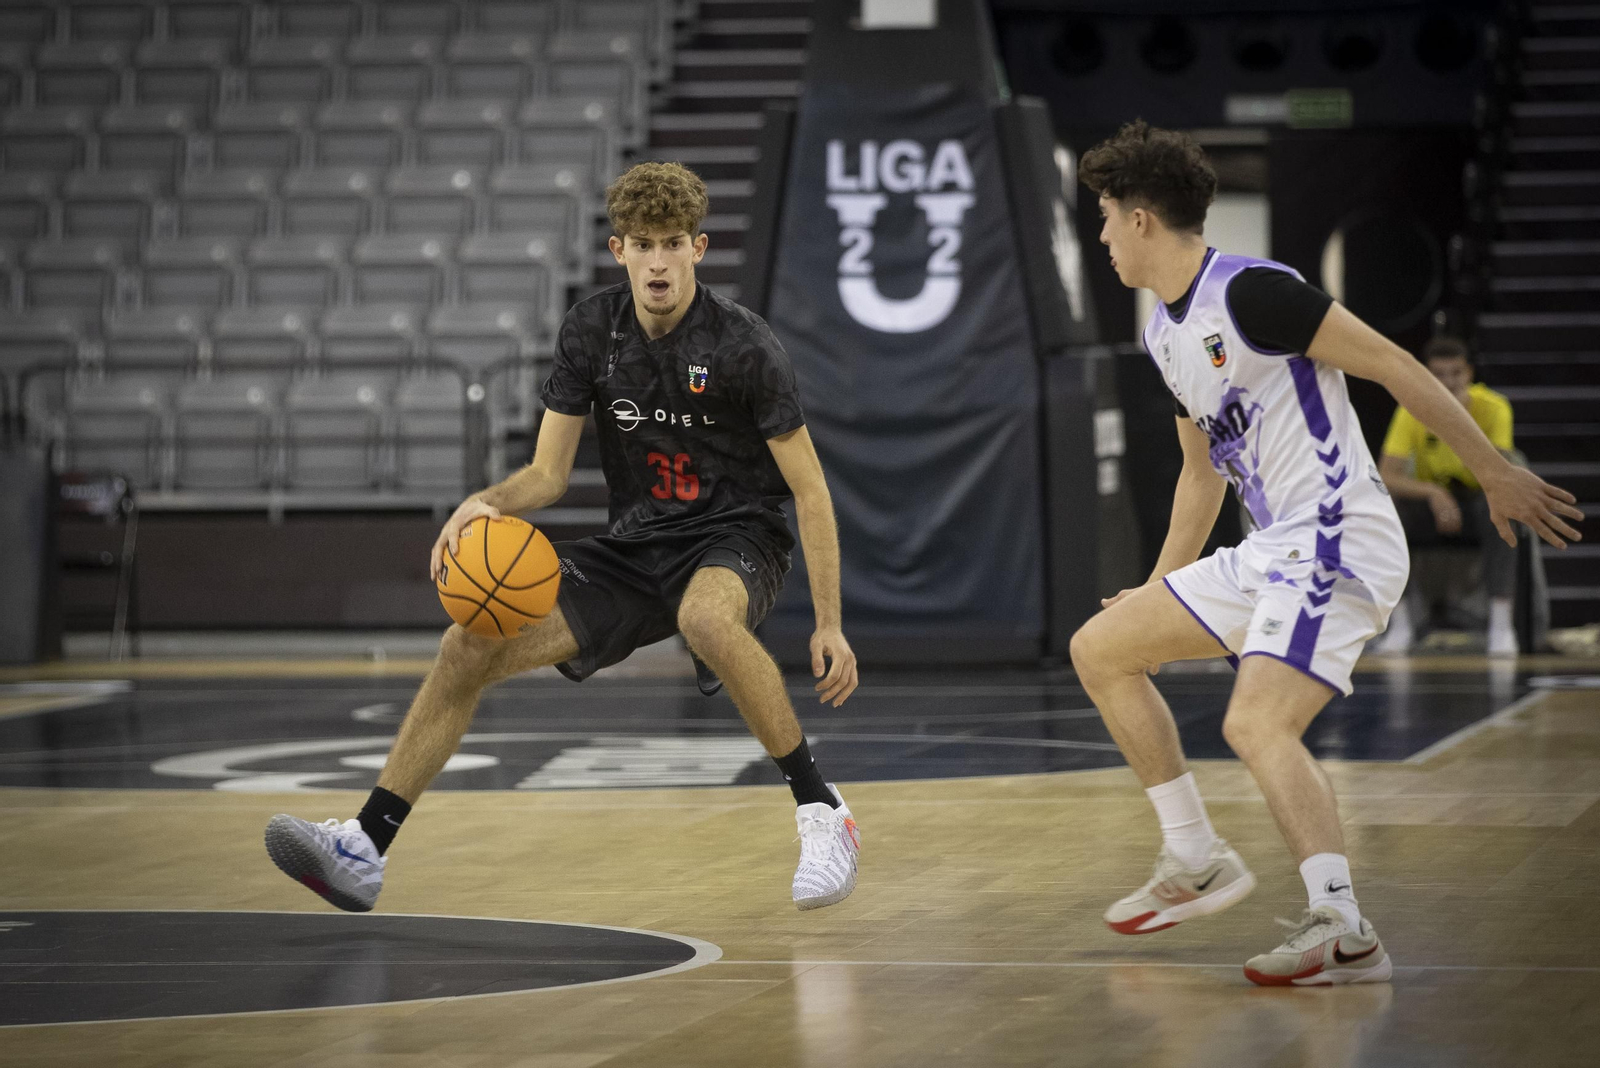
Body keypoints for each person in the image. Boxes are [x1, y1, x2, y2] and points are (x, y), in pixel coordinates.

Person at [265, 162, 862, 914]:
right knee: (466, 645)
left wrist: (831, 622)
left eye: (672, 243)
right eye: (642, 244)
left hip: (737, 535)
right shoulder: (591, 329)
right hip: (636, 546)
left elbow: (810, 490)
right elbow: (547, 476)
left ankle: (821, 810)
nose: (657, 261)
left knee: (705, 618)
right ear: (618, 250)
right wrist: (485, 501)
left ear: (698, 249)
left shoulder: (747, 347)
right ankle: (363, 847)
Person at [1068, 121, 1583, 986]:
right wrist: (1157, 588)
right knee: (1102, 649)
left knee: (1254, 721)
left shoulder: (1257, 293)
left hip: (1338, 530)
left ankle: (1342, 926)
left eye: (1108, 216)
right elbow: (1200, 476)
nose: (1104, 234)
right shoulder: (1165, 334)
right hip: (1274, 546)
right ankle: (1195, 855)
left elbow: (1393, 364)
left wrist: (1492, 473)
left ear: (1145, 218)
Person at [1373, 336, 1519, 655]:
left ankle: (1501, 625)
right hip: (1432, 506)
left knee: (1502, 510)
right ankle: (1399, 624)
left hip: (1479, 499)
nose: (1448, 382)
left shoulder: (1493, 407)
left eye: (1455, 373)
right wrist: (1434, 492)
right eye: (1438, 374)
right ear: (1426, 375)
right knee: (1385, 513)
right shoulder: (1411, 408)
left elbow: (1502, 470)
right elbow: (1386, 474)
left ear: (1468, 373)